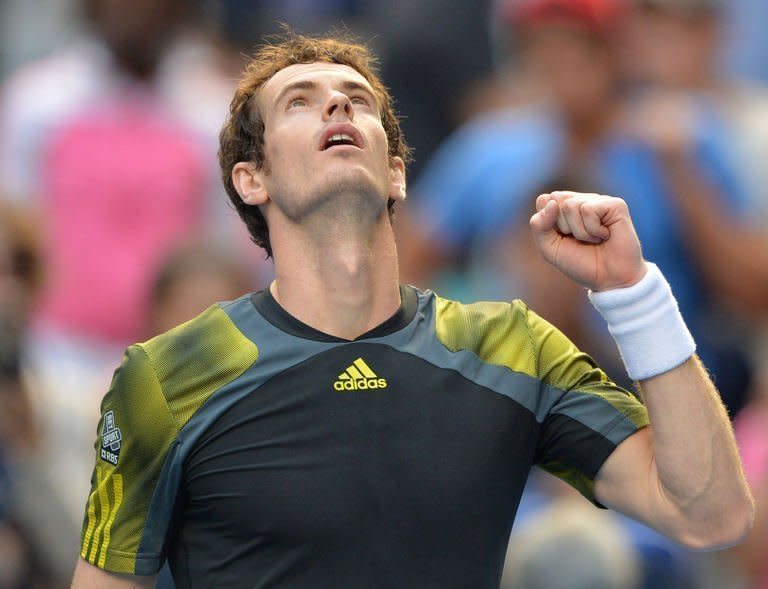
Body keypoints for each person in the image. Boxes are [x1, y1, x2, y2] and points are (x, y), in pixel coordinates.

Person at [71, 31, 753, 588]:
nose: (337, 107)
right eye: (301, 103)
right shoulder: (164, 377)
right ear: (253, 179)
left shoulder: (511, 345)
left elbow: (712, 514)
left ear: (396, 170)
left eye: (356, 100)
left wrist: (633, 294)